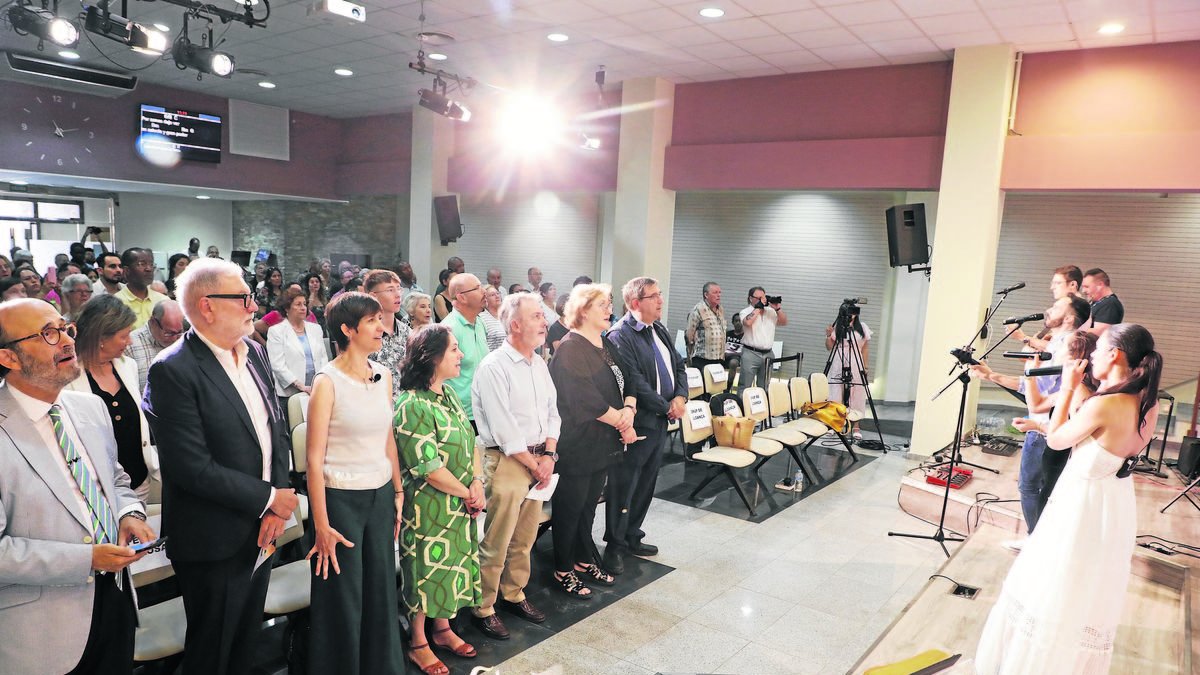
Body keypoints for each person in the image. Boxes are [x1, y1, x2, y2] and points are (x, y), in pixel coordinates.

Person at [975, 324, 1163, 674]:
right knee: (1085, 589)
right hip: (1114, 503)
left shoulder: (1106, 403)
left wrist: (1070, 387)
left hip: (1080, 507)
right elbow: (1094, 443)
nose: (1090, 356)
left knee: (1054, 584)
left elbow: (1059, 441)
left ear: (1114, 354)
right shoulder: (1147, 403)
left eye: (1097, 350)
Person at [142, 258, 299, 675]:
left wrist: (276, 506)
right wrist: (270, 498)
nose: (254, 306)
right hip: (212, 535)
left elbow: (276, 433)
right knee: (213, 652)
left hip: (262, 526)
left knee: (248, 642)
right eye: (244, 298)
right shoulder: (173, 369)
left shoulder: (255, 353)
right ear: (207, 306)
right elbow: (192, 467)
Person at [0, 298, 158, 675]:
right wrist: (86, 559)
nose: (68, 341)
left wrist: (129, 513)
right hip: (43, 625)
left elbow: (115, 479)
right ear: (9, 358)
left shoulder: (87, 407)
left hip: (116, 596)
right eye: (47, 335)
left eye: (65, 328)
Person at [304, 292, 406, 674]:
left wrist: (397, 491)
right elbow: (313, 459)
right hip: (339, 499)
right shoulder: (327, 382)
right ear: (347, 330)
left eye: (381, 319)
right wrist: (321, 525)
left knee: (381, 592)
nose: (382, 327)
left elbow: (387, 438)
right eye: (372, 321)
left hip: (379, 493)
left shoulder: (383, 375)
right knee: (343, 599)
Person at [393, 325, 483, 675]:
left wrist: (476, 481)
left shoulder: (447, 394)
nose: (461, 355)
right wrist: (468, 492)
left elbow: (470, 440)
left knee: (452, 566)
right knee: (426, 572)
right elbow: (427, 467)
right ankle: (418, 641)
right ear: (432, 357)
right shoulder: (411, 404)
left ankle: (443, 629)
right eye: (454, 350)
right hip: (428, 506)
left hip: (460, 501)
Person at [470, 293, 560, 640]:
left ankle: (513, 593)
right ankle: (484, 606)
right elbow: (504, 428)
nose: (544, 322)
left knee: (524, 539)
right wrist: (535, 463)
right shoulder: (495, 366)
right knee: (497, 540)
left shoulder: (539, 363)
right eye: (537, 316)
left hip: (539, 460)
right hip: (508, 461)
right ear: (515, 324)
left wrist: (549, 456)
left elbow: (554, 413)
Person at [972, 294, 1091, 544]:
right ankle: (1037, 539)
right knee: (1039, 487)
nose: (1048, 308)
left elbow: (1038, 398)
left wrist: (1024, 371)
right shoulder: (1055, 344)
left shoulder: (1066, 347)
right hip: (1044, 422)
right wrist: (992, 375)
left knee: (1031, 487)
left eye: (1057, 306)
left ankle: (1034, 539)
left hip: (1046, 427)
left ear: (1069, 317)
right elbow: (1032, 390)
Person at [548, 284, 638, 598]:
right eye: (602, 303)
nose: (609, 308)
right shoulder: (571, 348)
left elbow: (629, 378)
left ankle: (584, 559)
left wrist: (629, 408)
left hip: (605, 442)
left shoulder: (604, 343)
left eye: (609, 303)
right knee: (570, 508)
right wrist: (623, 422)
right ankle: (562, 569)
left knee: (588, 507)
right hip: (579, 442)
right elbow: (582, 398)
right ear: (583, 310)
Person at [605, 277, 686, 573]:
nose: (661, 301)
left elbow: (679, 365)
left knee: (646, 484)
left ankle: (632, 535)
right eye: (654, 296)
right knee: (625, 485)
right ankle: (614, 545)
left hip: (661, 420)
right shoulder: (620, 335)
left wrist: (680, 396)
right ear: (635, 303)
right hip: (637, 423)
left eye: (660, 295)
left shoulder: (658, 329)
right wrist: (667, 407)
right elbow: (633, 380)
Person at [66, 294, 160, 502]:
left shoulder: (128, 367)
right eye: (124, 335)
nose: (130, 341)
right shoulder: (67, 378)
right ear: (101, 338)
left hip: (138, 481)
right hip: (94, 488)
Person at [267, 289, 329, 408]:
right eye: (298, 304)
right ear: (287, 308)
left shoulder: (316, 329)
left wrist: (319, 383)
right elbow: (277, 365)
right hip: (290, 393)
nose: (303, 308)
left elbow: (323, 359)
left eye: (304, 304)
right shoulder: (276, 331)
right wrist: (301, 386)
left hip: (317, 390)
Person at [444, 273, 489, 429]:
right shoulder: (449, 329)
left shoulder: (480, 323)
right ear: (461, 297)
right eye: (477, 288)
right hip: (459, 414)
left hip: (482, 409)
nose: (484, 291)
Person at [824, 301, 872, 439]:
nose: (851, 315)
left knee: (856, 393)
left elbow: (865, 349)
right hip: (838, 361)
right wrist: (828, 335)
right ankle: (834, 424)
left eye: (853, 312)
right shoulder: (837, 326)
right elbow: (829, 347)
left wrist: (866, 366)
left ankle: (856, 427)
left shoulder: (862, 327)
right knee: (835, 392)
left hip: (856, 362)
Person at [365, 269, 412, 403]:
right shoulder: (365, 333)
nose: (397, 295)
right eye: (390, 290)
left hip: (405, 406)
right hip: (375, 404)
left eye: (399, 289)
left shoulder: (407, 331)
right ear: (373, 296)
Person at [1012, 265, 1083, 352]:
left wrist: (1022, 337)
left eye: (1058, 283)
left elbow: (1061, 348)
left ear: (1073, 284)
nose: (1052, 287)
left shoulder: (1078, 309)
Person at [126, 299, 186, 392]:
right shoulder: (130, 345)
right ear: (153, 322)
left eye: (179, 332)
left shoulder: (184, 340)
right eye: (169, 333)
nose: (175, 339)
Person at [738, 286, 787, 392]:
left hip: (768, 353)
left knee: (764, 386)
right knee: (745, 385)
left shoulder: (770, 312)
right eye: (759, 298)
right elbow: (748, 322)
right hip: (750, 353)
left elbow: (784, 322)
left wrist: (777, 308)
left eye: (763, 297)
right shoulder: (745, 312)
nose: (762, 300)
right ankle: (742, 406)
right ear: (751, 298)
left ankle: (763, 406)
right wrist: (758, 308)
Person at [115, 248, 167, 330]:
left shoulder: (163, 301)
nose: (149, 269)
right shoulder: (116, 303)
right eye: (142, 264)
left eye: (151, 264)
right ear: (127, 270)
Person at [685, 281, 725, 369]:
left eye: (719, 292)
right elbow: (689, 336)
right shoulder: (698, 310)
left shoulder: (720, 309)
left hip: (718, 358)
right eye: (715, 293)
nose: (719, 295)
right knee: (703, 383)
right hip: (702, 359)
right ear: (706, 295)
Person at [1082, 268, 1124, 336]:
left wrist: (1073, 330)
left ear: (1100, 285)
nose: (1083, 291)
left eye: (1087, 287)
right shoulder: (1096, 302)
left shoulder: (1110, 304)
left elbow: (1098, 331)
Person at [479, 284, 507, 352]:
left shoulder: (506, 315)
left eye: (497, 293)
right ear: (485, 299)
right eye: (492, 295)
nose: (497, 296)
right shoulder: (481, 318)